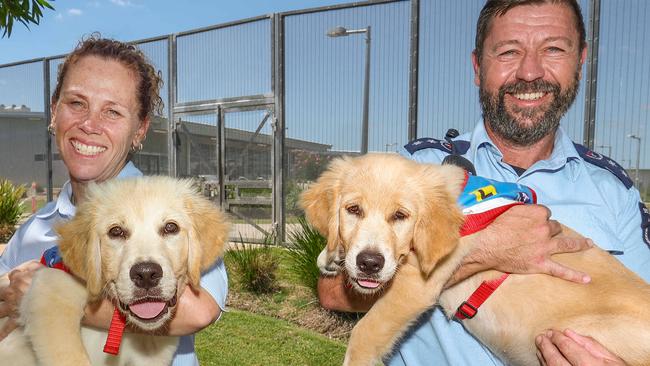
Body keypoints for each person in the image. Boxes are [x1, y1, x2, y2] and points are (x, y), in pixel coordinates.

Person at [318, 0, 650, 365]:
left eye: (553, 49)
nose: (530, 71)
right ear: (478, 67)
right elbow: (333, 292)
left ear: (581, 61)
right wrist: (483, 252)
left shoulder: (615, 193)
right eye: (509, 51)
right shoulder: (413, 169)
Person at [0, 35, 228, 366]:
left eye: (113, 112)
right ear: (54, 113)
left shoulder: (170, 204)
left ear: (140, 129)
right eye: (77, 103)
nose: (89, 125)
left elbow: (197, 311)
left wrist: (46, 297)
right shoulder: (36, 229)